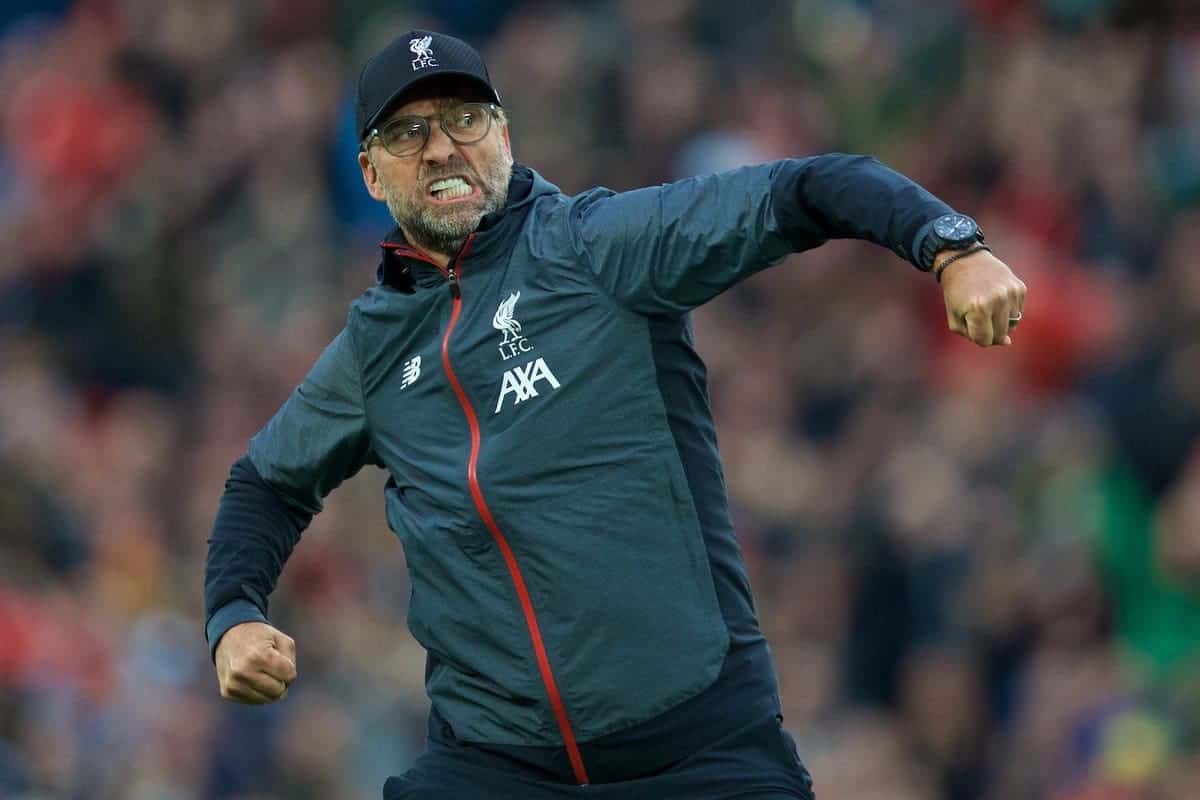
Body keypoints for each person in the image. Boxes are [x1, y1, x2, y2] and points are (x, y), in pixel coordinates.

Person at [203, 29, 1026, 800]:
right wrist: (234, 616)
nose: (444, 146)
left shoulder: (599, 246)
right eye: (409, 132)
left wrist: (951, 245)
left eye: (464, 118)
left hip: (699, 749)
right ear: (372, 174)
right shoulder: (372, 348)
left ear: (504, 134)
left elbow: (804, 189)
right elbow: (266, 483)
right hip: (495, 764)